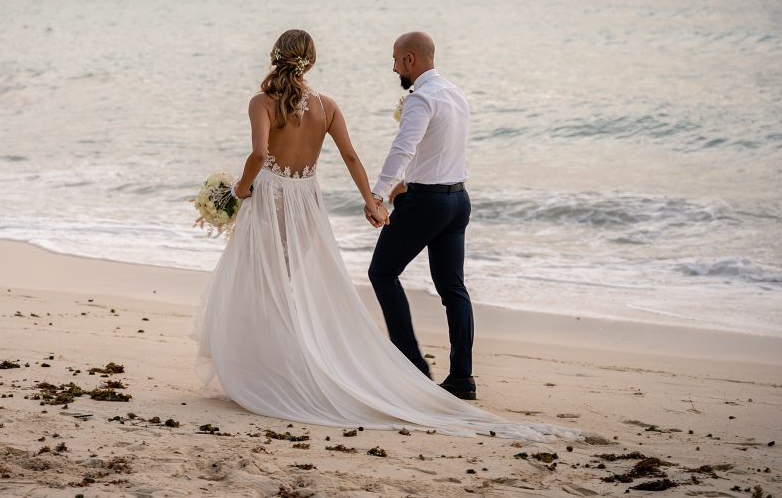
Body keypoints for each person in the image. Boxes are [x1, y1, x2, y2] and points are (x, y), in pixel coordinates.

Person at [194, 29, 578, 440]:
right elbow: (351, 156)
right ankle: (450, 373)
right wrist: (371, 198)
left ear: (275, 56)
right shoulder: (328, 107)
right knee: (290, 281)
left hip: (271, 199)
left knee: (261, 280)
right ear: (312, 61)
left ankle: (272, 369)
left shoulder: (262, 103)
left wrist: (239, 190)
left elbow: (258, 154)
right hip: (312, 204)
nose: (394, 65)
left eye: (397, 59)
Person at [365, 31, 477, 400]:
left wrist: (378, 194)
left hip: (428, 204)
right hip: (458, 200)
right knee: (453, 290)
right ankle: (462, 377)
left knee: (382, 272)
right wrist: (405, 187)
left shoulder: (421, 98)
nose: (394, 66)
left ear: (410, 60)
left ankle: (412, 368)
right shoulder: (456, 93)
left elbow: (403, 148)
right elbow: (440, 151)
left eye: (396, 59)